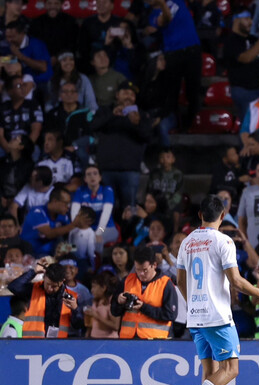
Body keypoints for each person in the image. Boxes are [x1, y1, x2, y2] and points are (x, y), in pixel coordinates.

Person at [174, 195, 259, 385]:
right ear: (222, 216)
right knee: (231, 369)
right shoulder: (224, 241)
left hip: (196, 316)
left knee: (211, 371)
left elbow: (180, 281)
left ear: (200, 215)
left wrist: (194, 305)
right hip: (217, 316)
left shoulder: (187, 242)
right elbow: (235, 281)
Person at [91, 80, 151, 210]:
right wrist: (112, 115)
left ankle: (128, 231)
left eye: (132, 94)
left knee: (130, 210)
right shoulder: (105, 110)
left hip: (130, 170)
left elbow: (147, 137)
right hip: (106, 170)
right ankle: (105, 231)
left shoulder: (141, 114)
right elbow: (93, 126)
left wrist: (137, 124)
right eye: (125, 93)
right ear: (117, 95)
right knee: (107, 210)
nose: (129, 96)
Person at [148, 0, 202, 131]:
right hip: (173, 53)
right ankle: (174, 125)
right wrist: (162, 4)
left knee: (193, 92)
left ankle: (190, 125)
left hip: (192, 50)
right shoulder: (153, 15)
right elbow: (166, 19)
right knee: (172, 93)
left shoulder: (177, 1)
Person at [111, 245, 177, 339]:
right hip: (127, 340)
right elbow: (114, 311)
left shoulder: (166, 284)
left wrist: (143, 307)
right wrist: (119, 302)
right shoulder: (127, 281)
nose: (141, 273)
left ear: (154, 265)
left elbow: (171, 315)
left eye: (145, 270)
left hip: (156, 341)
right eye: (138, 269)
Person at [223, 6, 259, 117]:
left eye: (250, 19)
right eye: (246, 19)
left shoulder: (252, 39)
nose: (251, 22)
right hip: (245, 90)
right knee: (251, 128)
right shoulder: (231, 41)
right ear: (236, 20)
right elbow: (245, 58)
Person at [8, 260, 81, 338]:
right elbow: (13, 287)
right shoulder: (33, 290)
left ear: (62, 281)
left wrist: (75, 309)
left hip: (58, 345)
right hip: (33, 343)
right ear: (44, 277)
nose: (49, 288)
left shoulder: (71, 298)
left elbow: (78, 325)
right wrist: (33, 272)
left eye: (54, 286)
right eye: (47, 284)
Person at [20, 187, 82, 258]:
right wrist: (73, 224)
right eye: (66, 203)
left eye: (69, 204)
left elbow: (67, 235)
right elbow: (49, 234)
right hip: (33, 253)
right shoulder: (37, 212)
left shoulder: (63, 216)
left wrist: (74, 247)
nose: (68, 207)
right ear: (55, 201)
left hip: (53, 250)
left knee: (77, 248)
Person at [71, 165, 120, 250]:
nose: (92, 176)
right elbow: (74, 214)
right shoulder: (80, 191)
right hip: (86, 227)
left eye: (95, 173)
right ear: (85, 179)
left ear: (100, 177)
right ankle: (75, 260)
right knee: (74, 238)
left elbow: (106, 214)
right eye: (89, 174)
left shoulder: (107, 190)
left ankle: (95, 263)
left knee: (95, 240)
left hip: (106, 227)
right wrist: (78, 228)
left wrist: (98, 232)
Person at [0, 74, 43, 155]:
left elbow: (36, 130)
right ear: (10, 91)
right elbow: (0, 135)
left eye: (24, 85)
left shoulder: (33, 105)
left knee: (36, 150)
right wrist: (9, 150)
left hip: (26, 145)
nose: (23, 88)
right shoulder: (2, 108)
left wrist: (25, 148)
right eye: (19, 86)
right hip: (7, 146)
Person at [84, 271, 120, 338]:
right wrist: (88, 332)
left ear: (103, 288)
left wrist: (97, 316)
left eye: (94, 287)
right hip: (94, 339)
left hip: (109, 342)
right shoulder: (95, 301)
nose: (92, 290)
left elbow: (116, 326)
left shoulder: (112, 302)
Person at [68, 207, 97, 273]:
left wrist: (93, 266)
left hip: (83, 261)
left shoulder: (90, 233)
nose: (77, 217)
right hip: (72, 260)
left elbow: (91, 252)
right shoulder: (73, 230)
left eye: (80, 215)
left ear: (89, 221)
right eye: (78, 214)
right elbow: (70, 246)